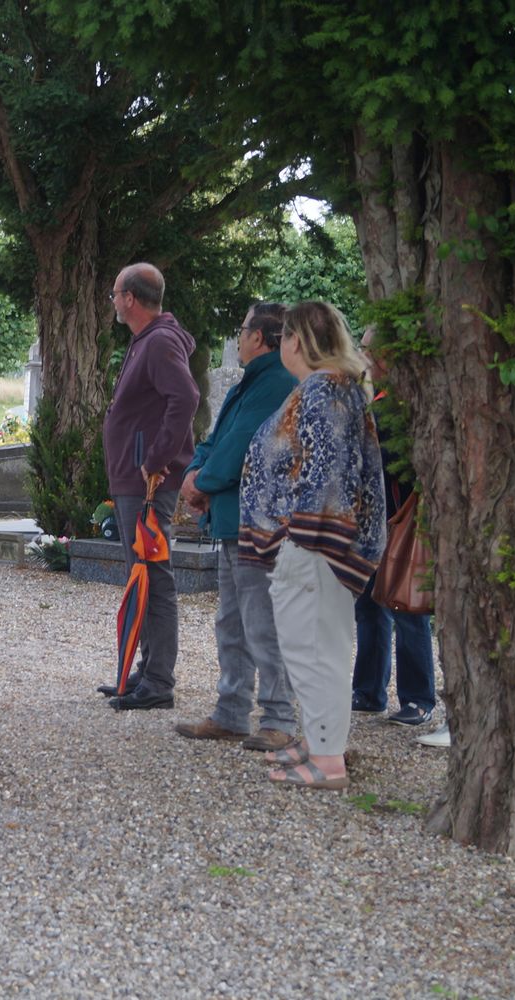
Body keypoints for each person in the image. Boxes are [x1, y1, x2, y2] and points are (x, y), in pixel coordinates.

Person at [240, 300, 385, 790]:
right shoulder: (333, 386)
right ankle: (321, 741)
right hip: (316, 543)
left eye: (284, 335)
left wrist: (303, 538)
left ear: (296, 341)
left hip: (315, 544)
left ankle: (327, 760)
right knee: (316, 646)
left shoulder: (325, 389)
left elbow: (327, 470)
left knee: (313, 649)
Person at [173, 303, 299, 750]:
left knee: (263, 624)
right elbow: (215, 440)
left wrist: (201, 483)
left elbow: (243, 446)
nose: (239, 337)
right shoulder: (250, 381)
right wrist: (197, 473)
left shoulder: (277, 382)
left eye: (243, 330)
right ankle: (231, 712)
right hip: (233, 519)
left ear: (259, 337)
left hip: (257, 522)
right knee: (231, 622)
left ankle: (280, 718)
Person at [100, 262, 199, 710]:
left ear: (130, 299)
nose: (113, 302)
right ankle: (145, 669)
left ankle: (159, 681)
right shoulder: (147, 339)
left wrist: (156, 458)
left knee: (154, 577)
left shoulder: (159, 341)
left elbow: (186, 397)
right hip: (135, 477)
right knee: (140, 575)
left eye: (115, 294)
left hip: (148, 482)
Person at [351, 326, 437, 727]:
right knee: (369, 606)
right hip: (372, 521)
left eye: (367, 349)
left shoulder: (397, 406)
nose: (362, 356)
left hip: (398, 520)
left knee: (406, 606)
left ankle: (418, 698)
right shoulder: (378, 400)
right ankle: (368, 690)